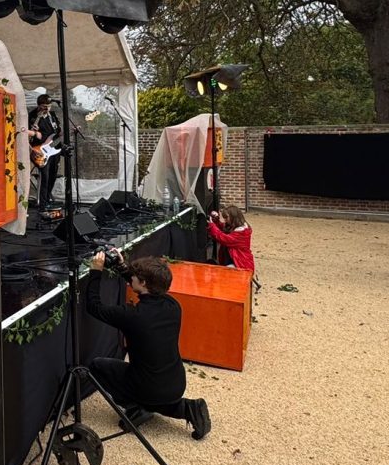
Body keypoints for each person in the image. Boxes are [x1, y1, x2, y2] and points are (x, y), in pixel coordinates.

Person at [83, 249, 211, 440]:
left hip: (147, 386)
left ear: (142, 283)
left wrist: (96, 271)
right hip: (176, 382)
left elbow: (94, 306)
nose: (131, 278)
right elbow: (148, 287)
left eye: (134, 277)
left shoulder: (132, 316)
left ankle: (136, 409)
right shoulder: (173, 305)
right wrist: (122, 267)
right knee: (155, 391)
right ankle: (187, 408)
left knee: (97, 366)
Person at [28, 94, 61, 208]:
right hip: (40, 151)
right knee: (44, 177)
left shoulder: (52, 115)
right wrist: (35, 132)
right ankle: (42, 204)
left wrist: (67, 132)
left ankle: (47, 200)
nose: (47, 109)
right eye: (44, 106)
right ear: (39, 106)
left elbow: (58, 131)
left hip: (53, 149)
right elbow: (29, 135)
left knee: (53, 175)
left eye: (49, 106)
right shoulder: (32, 116)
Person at [208, 204, 256, 274]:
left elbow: (223, 238)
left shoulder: (241, 233)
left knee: (225, 273)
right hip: (235, 261)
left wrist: (212, 226)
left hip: (240, 265)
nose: (225, 220)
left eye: (227, 218)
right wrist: (216, 220)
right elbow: (223, 229)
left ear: (233, 218)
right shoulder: (235, 227)